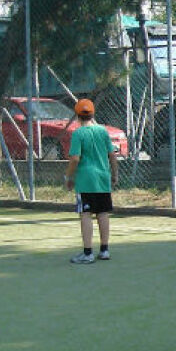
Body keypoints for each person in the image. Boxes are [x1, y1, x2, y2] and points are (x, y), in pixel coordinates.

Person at [64, 99, 119, 264]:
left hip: (85, 180)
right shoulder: (102, 132)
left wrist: (69, 177)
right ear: (93, 114)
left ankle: (87, 253)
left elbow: (74, 159)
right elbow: (112, 155)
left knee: (86, 214)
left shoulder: (78, 133)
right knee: (103, 212)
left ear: (77, 116)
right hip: (103, 178)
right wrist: (115, 174)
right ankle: (104, 250)